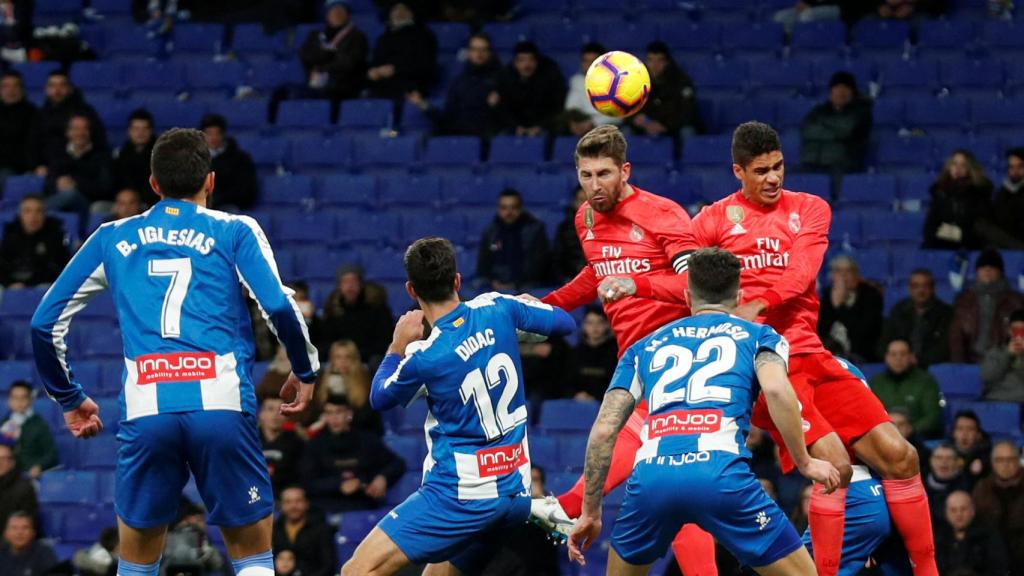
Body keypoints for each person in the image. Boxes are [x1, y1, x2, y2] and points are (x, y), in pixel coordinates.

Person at [604, 121, 934, 575]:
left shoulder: (811, 208)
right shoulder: (713, 220)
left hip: (812, 354)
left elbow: (802, 270)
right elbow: (687, 281)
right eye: (761, 171)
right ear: (738, 171)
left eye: (778, 166)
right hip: (765, 364)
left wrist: (757, 303)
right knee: (834, 465)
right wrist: (636, 283)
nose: (774, 178)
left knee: (902, 456)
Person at [30, 128, 320, 576]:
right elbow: (279, 304)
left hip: (148, 408)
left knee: (138, 562)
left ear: (152, 184)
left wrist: (69, 399)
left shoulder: (111, 236)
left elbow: (43, 323)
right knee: (254, 558)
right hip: (221, 405)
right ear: (210, 181)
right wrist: (304, 368)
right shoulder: (235, 229)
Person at [567, 247, 840, 574]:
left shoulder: (645, 346)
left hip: (652, 478)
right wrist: (804, 462)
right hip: (721, 474)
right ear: (739, 295)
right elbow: (778, 390)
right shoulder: (759, 336)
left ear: (687, 295)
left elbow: (604, 430)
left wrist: (590, 512)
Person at [527, 124, 718, 575]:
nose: (595, 186)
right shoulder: (586, 220)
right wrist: (543, 306)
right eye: (586, 175)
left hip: (681, 362)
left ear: (625, 170)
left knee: (668, 478)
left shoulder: (662, 213)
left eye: (605, 174)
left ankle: (569, 504)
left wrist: (638, 283)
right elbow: (596, 275)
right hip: (636, 361)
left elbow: (698, 286)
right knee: (669, 485)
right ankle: (569, 504)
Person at [340, 237, 576, 575]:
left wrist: (396, 346)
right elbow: (565, 323)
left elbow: (379, 397)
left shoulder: (424, 356)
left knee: (356, 571)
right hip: (512, 492)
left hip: (459, 497)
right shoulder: (498, 307)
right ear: (457, 281)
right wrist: (526, 305)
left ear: (411, 290)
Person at [300, 395, 405, 512]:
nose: (334, 418)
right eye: (329, 413)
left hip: (363, 507)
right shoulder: (315, 445)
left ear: (349, 414)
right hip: (325, 509)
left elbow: (397, 463)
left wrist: (383, 477)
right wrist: (339, 485)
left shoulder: (367, 440)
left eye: (339, 412)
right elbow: (307, 482)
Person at [406, 32, 502, 138]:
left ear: (490, 52)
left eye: (483, 49)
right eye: (474, 49)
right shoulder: (460, 81)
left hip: (486, 139)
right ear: (469, 52)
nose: (479, 54)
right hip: (459, 137)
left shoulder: (502, 79)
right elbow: (448, 117)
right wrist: (424, 105)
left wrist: (498, 106)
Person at [480, 465, 561, 575]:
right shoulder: (505, 507)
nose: (532, 485)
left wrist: (537, 501)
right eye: (529, 480)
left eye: (536, 480)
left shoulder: (549, 510)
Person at [949, 248, 1024, 363]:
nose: (987, 269)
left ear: (1001, 272)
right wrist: (959, 366)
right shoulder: (963, 300)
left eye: (993, 266)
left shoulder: (1016, 301)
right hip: (971, 360)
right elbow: (956, 337)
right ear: (977, 271)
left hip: (1004, 361)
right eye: (983, 266)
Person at [316, 264, 394, 365]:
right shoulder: (332, 309)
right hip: (338, 356)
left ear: (361, 284)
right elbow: (324, 339)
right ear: (339, 286)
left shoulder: (377, 307)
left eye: (353, 281)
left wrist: (355, 354)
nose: (350, 286)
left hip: (368, 358)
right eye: (345, 282)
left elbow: (384, 341)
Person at [475, 188, 551, 292]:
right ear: (498, 209)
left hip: (528, 286)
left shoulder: (535, 231)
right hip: (496, 286)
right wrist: (493, 282)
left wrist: (516, 285)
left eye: (514, 207)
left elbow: (539, 266)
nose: (509, 212)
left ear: (521, 208)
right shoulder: (491, 233)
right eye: (504, 208)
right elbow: (483, 265)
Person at [800, 71, 872, 177]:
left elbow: (846, 130)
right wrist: (834, 133)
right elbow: (807, 131)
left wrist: (823, 126)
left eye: (846, 88)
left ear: (852, 92)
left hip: (843, 165)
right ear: (831, 91)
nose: (841, 92)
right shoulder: (819, 110)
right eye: (837, 87)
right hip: (812, 162)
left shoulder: (860, 113)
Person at [32, 70, 107, 171]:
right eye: (52, 86)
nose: (57, 90)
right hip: (47, 168)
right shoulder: (40, 115)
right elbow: (32, 144)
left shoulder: (85, 112)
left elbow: (98, 141)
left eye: (62, 85)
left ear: (70, 89)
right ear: (46, 89)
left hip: (79, 166)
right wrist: (37, 165)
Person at [816, 254, 884, 363]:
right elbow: (821, 330)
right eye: (838, 271)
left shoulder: (871, 296)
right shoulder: (826, 295)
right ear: (832, 276)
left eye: (848, 271)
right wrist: (834, 303)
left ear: (857, 275)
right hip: (829, 355)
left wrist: (840, 306)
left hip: (862, 354)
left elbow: (863, 333)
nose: (843, 275)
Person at [869, 339, 942, 439]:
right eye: (893, 354)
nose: (898, 358)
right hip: (882, 437)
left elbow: (933, 417)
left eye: (903, 354)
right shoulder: (876, 382)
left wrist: (911, 429)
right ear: (886, 358)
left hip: (916, 438)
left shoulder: (926, 381)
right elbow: (868, 415)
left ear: (911, 357)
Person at [879, 269, 953, 367]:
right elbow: (885, 341)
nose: (920, 290)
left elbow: (945, 347)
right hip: (899, 365)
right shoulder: (898, 311)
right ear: (910, 288)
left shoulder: (946, 313)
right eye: (915, 286)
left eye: (925, 286)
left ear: (933, 288)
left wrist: (918, 360)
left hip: (932, 366)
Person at [628, 41, 702, 140]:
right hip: (645, 127)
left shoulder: (681, 81)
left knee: (688, 131)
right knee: (624, 132)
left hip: (673, 127)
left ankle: (684, 156)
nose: (655, 65)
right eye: (651, 60)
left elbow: (687, 112)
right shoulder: (638, 81)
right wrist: (635, 119)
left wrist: (665, 125)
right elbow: (627, 108)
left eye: (659, 60)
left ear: (667, 62)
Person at [922, 150, 994, 250]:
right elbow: (930, 229)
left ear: (969, 168)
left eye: (963, 165)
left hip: (972, 248)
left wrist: (958, 234)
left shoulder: (979, 194)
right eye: (954, 163)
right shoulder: (939, 193)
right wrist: (954, 234)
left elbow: (981, 229)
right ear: (949, 167)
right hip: (942, 247)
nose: (958, 168)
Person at [298, 0, 369, 101]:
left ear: (348, 16)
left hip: (342, 86)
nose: (336, 14)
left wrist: (322, 67)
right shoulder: (316, 35)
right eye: (333, 11)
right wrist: (326, 54)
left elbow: (348, 62)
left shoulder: (357, 37)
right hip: (315, 84)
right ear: (327, 15)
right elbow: (305, 54)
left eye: (340, 11)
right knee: (285, 94)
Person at [43, 113, 113, 214]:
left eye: (84, 129)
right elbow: (48, 183)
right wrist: (58, 184)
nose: (80, 133)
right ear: (68, 132)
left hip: (88, 204)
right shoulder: (59, 153)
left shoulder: (102, 155)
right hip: (60, 199)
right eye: (75, 129)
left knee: (70, 194)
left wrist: (76, 184)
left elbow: (105, 188)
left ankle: (36, 211)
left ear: (89, 132)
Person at [366, 2, 436, 101]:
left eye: (403, 9)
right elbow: (375, 62)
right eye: (395, 9)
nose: (399, 13)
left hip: (410, 84)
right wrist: (373, 71)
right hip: (382, 85)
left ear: (411, 13)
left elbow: (425, 66)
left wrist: (395, 69)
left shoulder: (423, 35)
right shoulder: (384, 38)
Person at [496, 41, 567, 136]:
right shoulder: (506, 78)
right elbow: (504, 109)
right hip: (515, 127)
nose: (527, 65)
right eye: (522, 60)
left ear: (537, 62)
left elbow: (556, 108)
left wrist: (540, 126)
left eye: (531, 60)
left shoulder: (550, 77)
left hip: (544, 127)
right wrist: (515, 127)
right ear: (515, 63)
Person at [311, 340, 382, 435]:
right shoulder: (322, 379)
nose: (342, 361)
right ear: (332, 360)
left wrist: (346, 419)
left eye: (347, 357)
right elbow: (316, 408)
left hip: (358, 430)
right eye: (338, 357)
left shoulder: (365, 379)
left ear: (354, 359)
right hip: (327, 429)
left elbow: (368, 414)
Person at [972, 441, 1024, 567]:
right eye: (999, 460)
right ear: (992, 463)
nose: (1005, 465)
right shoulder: (981, 489)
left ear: (1018, 461)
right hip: (992, 557)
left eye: (1010, 459)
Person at [0, 194, 69, 287]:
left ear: (44, 214)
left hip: (40, 285)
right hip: (12, 285)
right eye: (27, 211)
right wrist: (10, 284)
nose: (33, 216)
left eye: (38, 211)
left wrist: (26, 285)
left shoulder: (55, 235)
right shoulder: (10, 234)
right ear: (20, 214)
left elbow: (57, 269)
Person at [933, 491, 1010, 575]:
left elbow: (998, 568)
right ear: (946, 513)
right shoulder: (939, 539)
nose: (959, 514)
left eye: (963, 509)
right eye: (953, 510)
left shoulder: (988, 536)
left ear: (972, 510)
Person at [271, 486, 336, 576]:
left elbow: (328, 565)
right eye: (288, 502)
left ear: (306, 503)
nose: (293, 506)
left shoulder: (321, 529)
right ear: (281, 505)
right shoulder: (273, 529)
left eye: (298, 501)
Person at [199, 114, 258, 212]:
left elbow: (245, 189)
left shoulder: (240, 159)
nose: (213, 137)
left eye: (217, 133)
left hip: (227, 205)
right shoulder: (194, 158)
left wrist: (219, 199)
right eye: (209, 133)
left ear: (223, 134)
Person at [0, 382, 58, 480]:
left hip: (29, 476)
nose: (19, 402)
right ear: (9, 400)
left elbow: (51, 454)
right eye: (15, 398)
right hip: (6, 476)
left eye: (23, 398)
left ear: (30, 400)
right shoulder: (4, 424)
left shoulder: (39, 425)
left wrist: (39, 466)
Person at [563, 42, 619, 131]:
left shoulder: (616, 82)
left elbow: (619, 116)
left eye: (593, 61)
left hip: (606, 126)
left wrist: (593, 123)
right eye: (585, 61)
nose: (589, 65)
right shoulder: (577, 81)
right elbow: (572, 107)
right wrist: (574, 122)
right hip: (583, 123)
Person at [567, 306, 618, 401]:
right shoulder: (575, 353)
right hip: (577, 402)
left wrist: (596, 397)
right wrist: (576, 394)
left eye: (600, 322)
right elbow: (567, 381)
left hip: (607, 403)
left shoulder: (617, 352)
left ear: (607, 324)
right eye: (590, 323)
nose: (595, 327)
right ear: (584, 326)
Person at [259, 397, 305, 497]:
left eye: (280, 410)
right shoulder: (247, 440)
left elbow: (302, 476)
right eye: (270, 409)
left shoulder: (297, 443)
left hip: (286, 499)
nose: (276, 415)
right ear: (261, 414)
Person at [112, 109, 158, 206]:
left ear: (151, 131)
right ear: (129, 131)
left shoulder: (161, 155)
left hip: (151, 203)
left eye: (144, 129)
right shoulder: (121, 154)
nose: (140, 133)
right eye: (136, 129)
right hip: (124, 201)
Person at [979, 309, 1024, 401]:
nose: (1019, 336)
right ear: (1009, 331)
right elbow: (986, 378)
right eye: (1015, 331)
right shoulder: (996, 352)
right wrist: (1007, 355)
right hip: (998, 399)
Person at [0, 70, 38, 178]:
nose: (10, 90)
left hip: (13, 166)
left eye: (15, 86)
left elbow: (33, 144)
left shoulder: (31, 112)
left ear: (22, 89)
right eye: (6, 86)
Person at [0, 511, 57, 576]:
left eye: (25, 528)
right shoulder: (1, 553)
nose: (19, 533)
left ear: (33, 533)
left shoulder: (44, 554)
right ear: (6, 534)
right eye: (14, 528)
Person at [551, 186, 587, 284]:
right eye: (581, 200)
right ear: (574, 203)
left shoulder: (609, 226)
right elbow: (557, 261)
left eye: (589, 200)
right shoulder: (564, 229)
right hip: (571, 282)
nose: (586, 204)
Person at [925, 443, 971, 520]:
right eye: (938, 458)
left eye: (949, 458)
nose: (944, 462)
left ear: (957, 463)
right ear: (931, 461)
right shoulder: (919, 485)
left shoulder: (967, 486)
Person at [991, 147, 1024, 247]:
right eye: (1011, 167)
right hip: (1006, 244)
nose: (1015, 171)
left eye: (1020, 166)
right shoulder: (1001, 193)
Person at [0, 442, 37, 530]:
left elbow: (27, 524)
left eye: (3, 459)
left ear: (12, 463)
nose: (0, 463)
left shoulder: (24, 488)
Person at [949, 410, 990, 485]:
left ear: (978, 435)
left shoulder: (987, 456)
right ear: (953, 433)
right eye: (960, 429)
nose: (964, 434)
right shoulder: (944, 453)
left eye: (970, 429)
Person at [773, 0, 842, 33]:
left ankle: (800, 40)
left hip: (833, 9)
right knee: (779, 16)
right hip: (809, 8)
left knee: (806, 15)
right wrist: (803, 3)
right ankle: (787, 42)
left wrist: (810, 6)